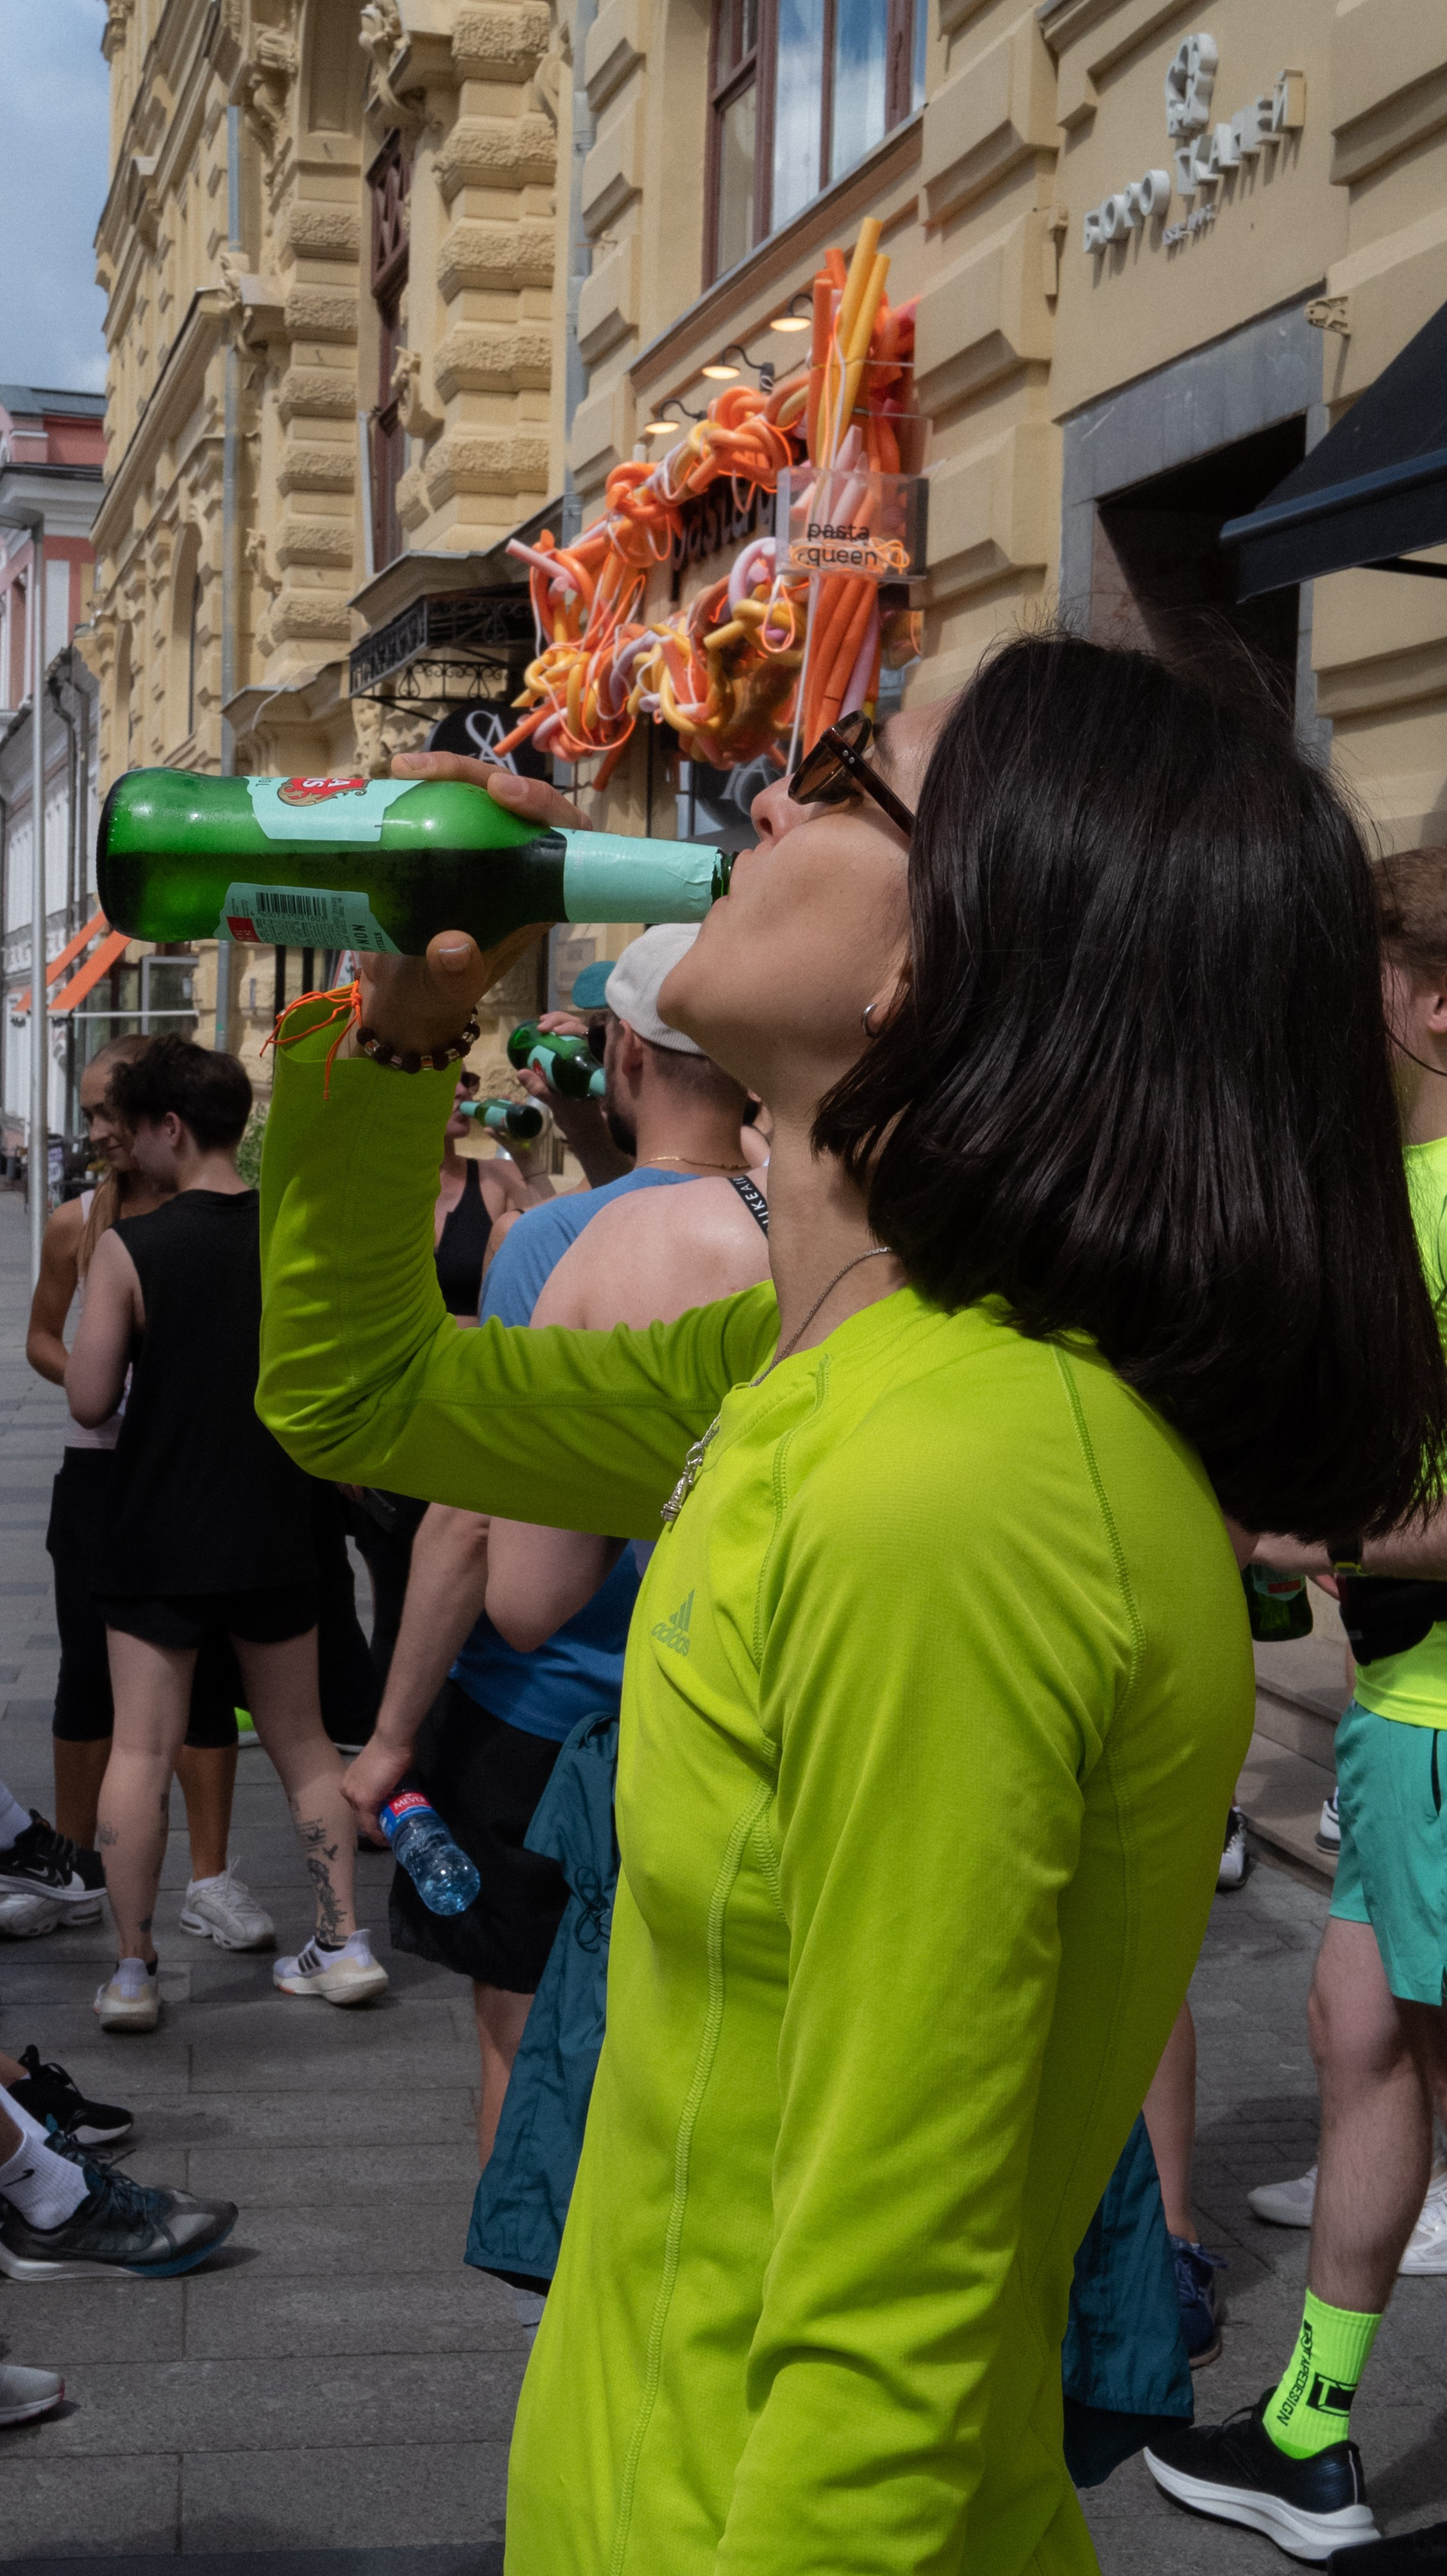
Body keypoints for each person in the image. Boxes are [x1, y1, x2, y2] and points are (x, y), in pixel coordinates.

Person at [257, 640, 1445, 2576]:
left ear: (940, 973)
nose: (758, 807)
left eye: (843, 780)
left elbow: (892, 2311)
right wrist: (401, 1031)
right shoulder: (806, 1365)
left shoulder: (958, 1488)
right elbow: (358, 1401)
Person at [341, 927, 769, 2165]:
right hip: (729, 1707)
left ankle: (553, 2309)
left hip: (550, 1722)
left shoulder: (551, 1247)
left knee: (523, 2037)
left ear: (623, 1050)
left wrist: (390, 1739)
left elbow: (489, 1543)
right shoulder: (803, 1228)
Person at [1148, 842, 1447, 2557]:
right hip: (1407, 1724)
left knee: (1398, 2060)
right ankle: (1315, 2435)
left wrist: (1309, 1530)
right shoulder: (1392, 1194)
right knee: (1360, 2042)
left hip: (1436, 1733)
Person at [66, 1035, 387, 2029]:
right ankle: (343, 1942)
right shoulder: (295, 1232)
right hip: (277, 1521)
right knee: (301, 1744)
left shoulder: (132, 1247)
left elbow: (86, 1399)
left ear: (169, 1127)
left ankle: (132, 1968)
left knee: (140, 1747)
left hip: (157, 1524)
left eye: (138, 1129)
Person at [26, 1035, 271, 1948]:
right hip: (101, 1467)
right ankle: (72, 1865)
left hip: (200, 1467)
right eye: (90, 1113)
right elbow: (43, 1338)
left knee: (205, 1683)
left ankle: (210, 1877)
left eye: (108, 1114)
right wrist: (110, 1375)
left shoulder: (223, 1216)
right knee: (90, 1671)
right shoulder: (79, 1221)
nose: (99, 1131)